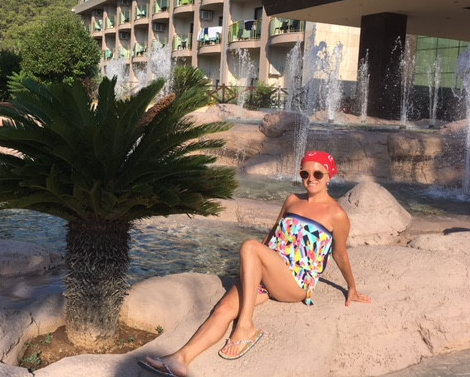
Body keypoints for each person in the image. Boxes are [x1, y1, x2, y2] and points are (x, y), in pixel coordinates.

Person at [138, 150, 372, 377]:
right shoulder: (292, 200)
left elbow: (340, 253)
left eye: (318, 174)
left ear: (330, 176)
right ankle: (180, 360)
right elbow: (273, 235)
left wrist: (351, 287)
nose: (310, 179)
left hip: (295, 281)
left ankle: (246, 326)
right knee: (223, 309)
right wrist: (252, 269)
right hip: (269, 271)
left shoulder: (336, 214)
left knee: (250, 246)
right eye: (305, 173)